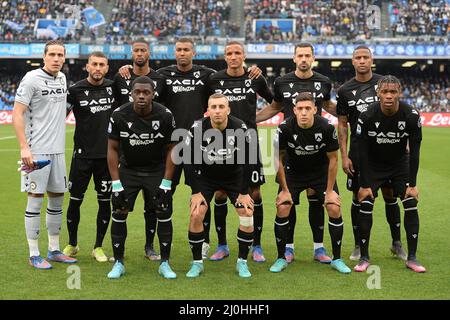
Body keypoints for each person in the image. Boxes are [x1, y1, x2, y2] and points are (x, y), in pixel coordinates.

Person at [118, 38, 262, 260]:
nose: (182, 53)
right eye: (179, 50)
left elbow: (230, 80)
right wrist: (127, 69)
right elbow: (143, 80)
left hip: (202, 143)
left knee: (205, 193)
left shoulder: (207, 75)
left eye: (186, 50)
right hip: (172, 144)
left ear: (193, 53)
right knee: (162, 194)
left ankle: (205, 243)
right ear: (174, 53)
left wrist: (251, 72)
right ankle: (150, 245)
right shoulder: (163, 75)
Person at [256, 42, 336, 264]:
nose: (303, 59)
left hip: (317, 150)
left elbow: (329, 106)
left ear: (313, 58)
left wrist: (354, 115)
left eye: (307, 55)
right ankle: (288, 248)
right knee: (287, 200)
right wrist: (249, 120)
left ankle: (319, 248)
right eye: (300, 55)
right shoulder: (281, 82)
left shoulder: (323, 81)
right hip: (290, 150)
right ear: (293, 58)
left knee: (316, 200)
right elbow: (274, 107)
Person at [337, 45, 407, 261]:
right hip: (360, 153)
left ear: (371, 59)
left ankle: (397, 243)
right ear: (352, 61)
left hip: (388, 151)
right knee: (359, 197)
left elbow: (401, 112)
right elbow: (342, 124)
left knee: (390, 196)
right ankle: (358, 245)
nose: (362, 61)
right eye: (358, 57)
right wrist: (344, 155)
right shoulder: (345, 90)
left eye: (365, 57)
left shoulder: (385, 83)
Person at [12, 40, 77, 269]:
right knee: (35, 200)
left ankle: (54, 249)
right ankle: (33, 254)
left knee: (58, 199)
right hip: (36, 151)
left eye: (61, 55)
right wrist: (23, 148)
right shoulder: (31, 79)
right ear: (44, 56)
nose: (57, 58)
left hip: (58, 150)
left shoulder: (62, 78)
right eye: (53, 54)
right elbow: (17, 113)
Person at [207, 41, 273, 263]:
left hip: (249, 143)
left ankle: (257, 244)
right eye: (229, 53)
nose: (233, 57)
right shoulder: (214, 79)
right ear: (224, 57)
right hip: (219, 142)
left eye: (237, 53)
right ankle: (222, 245)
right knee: (220, 193)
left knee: (255, 193)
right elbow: (205, 105)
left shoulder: (255, 77)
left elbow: (275, 102)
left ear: (244, 55)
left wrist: (255, 119)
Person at [271, 92, 351, 274]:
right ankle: (281, 257)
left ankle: (337, 259)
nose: (304, 112)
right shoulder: (284, 128)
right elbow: (278, 159)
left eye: (308, 108)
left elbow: (333, 160)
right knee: (283, 206)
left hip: (320, 172)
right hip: (294, 172)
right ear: (294, 110)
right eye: (300, 109)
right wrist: (284, 189)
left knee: (333, 207)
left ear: (315, 109)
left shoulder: (326, 127)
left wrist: (330, 191)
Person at [106, 76, 177, 279]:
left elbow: (173, 148)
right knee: (119, 211)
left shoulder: (165, 115)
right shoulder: (119, 114)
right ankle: (118, 263)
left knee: (163, 211)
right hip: (128, 170)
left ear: (153, 93)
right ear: (131, 93)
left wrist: (166, 182)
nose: (142, 96)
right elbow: (111, 148)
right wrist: (116, 184)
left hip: (156, 171)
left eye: (146, 92)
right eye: (137, 92)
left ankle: (165, 263)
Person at [355, 75, 425, 273]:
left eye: (393, 92)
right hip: (374, 165)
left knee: (410, 202)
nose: (388, 96)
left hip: (399, 164)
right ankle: (364, 257)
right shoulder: (367, 115)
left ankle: (412, 257)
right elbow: (362, 152)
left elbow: (416, 151)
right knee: (366, 202)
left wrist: (412, 184)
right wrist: (365, 183)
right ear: (377, 93)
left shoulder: (411, 115)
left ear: (400, 93)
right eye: (384, 92)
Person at [182, 93, 256, 278]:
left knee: (246, 212)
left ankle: (242, 262)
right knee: (196, 213)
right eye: (213, 107)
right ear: (208, 110)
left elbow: (249, 161)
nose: (217, 111)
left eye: (221, 107)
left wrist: (244, 192)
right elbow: (188, 160)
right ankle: (197, 262)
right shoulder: (197, 127)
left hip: (234, 177)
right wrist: (196, 191)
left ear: (228, 109)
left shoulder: (240, 127)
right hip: (206, 178)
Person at [113, 38, 166, 261]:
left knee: (154, 207)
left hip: (155, 151)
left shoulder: (160, 78)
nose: (140, 53)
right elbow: (117, 108)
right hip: (129, 152)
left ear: (149, 53)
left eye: (143, 50)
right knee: (121, 206)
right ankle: (118, 256)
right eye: (136, 50)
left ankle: (149, 246)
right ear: (131, 52)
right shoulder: (121, 76)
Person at [62, 52, 116, 262]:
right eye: (94, 64)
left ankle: (98, 247)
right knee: (75, 201)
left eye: (102, 64)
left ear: (107, 67)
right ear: (87, 66)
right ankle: (72, 244)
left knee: (105, 203)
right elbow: (58, 117)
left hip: (107, 158)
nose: (98, 68)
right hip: (81, 157)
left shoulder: (113, 88)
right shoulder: (75, 90)